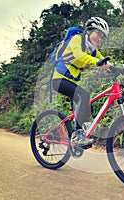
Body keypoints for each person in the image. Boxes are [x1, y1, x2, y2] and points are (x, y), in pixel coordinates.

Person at [52, 17, 110, 147]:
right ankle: (77, 135)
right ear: (89, 31)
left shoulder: (92, 49)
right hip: (59, 79)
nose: (100, 38)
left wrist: (121, 69)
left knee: (88, 104)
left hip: (72, 82)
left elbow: (106, 62)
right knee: (83, 96)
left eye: (102, 37)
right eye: (98, 34)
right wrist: (96, 62)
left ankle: (82, 134)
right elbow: (78, 55)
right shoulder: (77, 39)